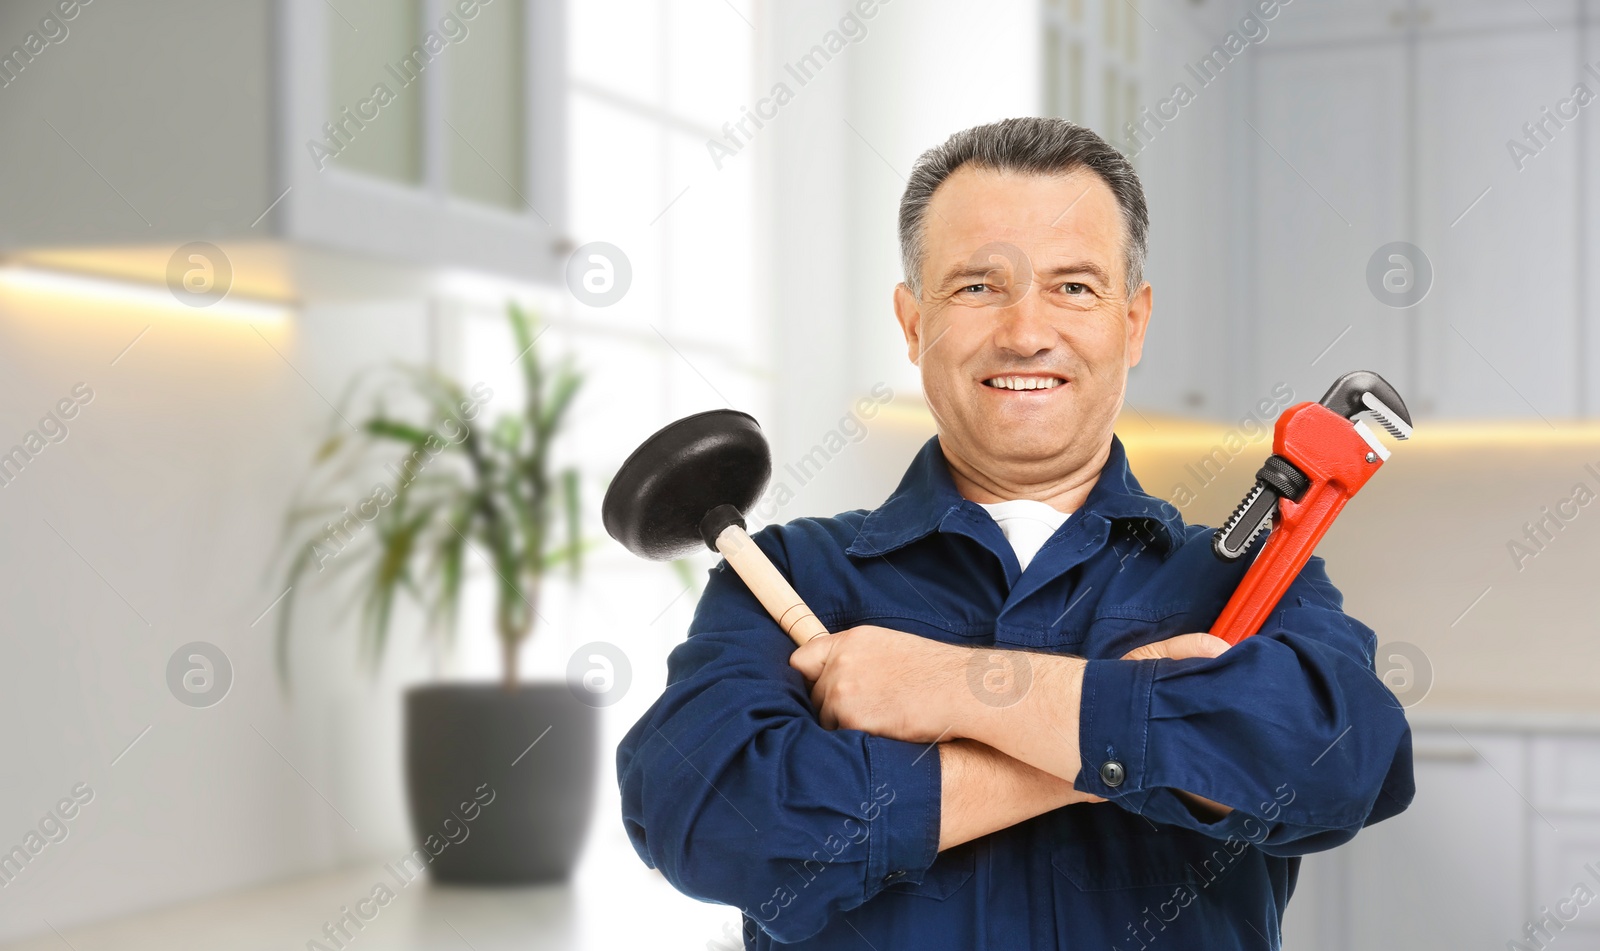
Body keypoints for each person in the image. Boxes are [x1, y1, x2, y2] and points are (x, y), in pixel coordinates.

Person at [616, 116, 1413, 949]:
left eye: (1074, 287)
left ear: (1132, 322)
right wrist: (1119, 744)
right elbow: (705, 818)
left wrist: (952, 685)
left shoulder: (1247, 579)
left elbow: (1345, 764)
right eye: (976, 286)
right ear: (914, 321)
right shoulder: (790, 574)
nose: (1027, 331)